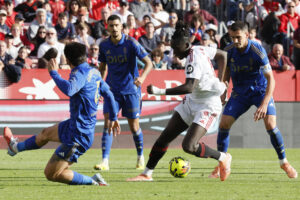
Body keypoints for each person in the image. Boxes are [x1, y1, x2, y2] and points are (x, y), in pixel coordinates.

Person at [3, 42, 121, 186]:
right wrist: (114, 117)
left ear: (68, 60)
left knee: (52, 174)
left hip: (79, 135)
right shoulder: (94, 72)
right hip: (74, 125)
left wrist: (54, 73)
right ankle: (15, 148)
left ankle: (93, 181)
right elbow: (109, 94)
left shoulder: (79, 73)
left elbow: (70, 89)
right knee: (45, 134)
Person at [126, 21, 232, 182]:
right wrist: (222, 83)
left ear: (187, 44)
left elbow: (189, 86)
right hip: (192, 101)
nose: (174, 53)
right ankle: (146, 174)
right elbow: (222, 55)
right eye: (173, 48)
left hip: (208, 104)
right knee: (164, 137)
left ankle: (223, 157)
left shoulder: (194, 59)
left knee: (189, 146)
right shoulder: (198, 48)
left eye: (177, 49)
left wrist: (160, 91)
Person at [209, 21, 298, 179]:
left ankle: (284, 162)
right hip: (239, 93)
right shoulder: (229, 50)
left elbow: (271, 79)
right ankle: (222, 163)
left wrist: (264, 104)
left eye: (238, 37)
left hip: (260, 91)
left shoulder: (258, 51)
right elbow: (227, 71)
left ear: (247, 35)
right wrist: (223, 92)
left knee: (270, 124)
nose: (235, 41)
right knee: (223, 124)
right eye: (232, 37)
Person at [94, 15, 152, 171]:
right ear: (107, 27)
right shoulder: (104, 45)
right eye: (111, 25)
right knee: (108, 123)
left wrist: (142, 77)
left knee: (134, 127)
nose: (114, 28)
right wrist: (100, 85)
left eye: (116, 25)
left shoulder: (131, 43)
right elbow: (103, 67)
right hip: (112, 91)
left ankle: (140, 156)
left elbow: (149, 62)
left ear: (121, 27)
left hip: (131, 90)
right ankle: (105, 161)